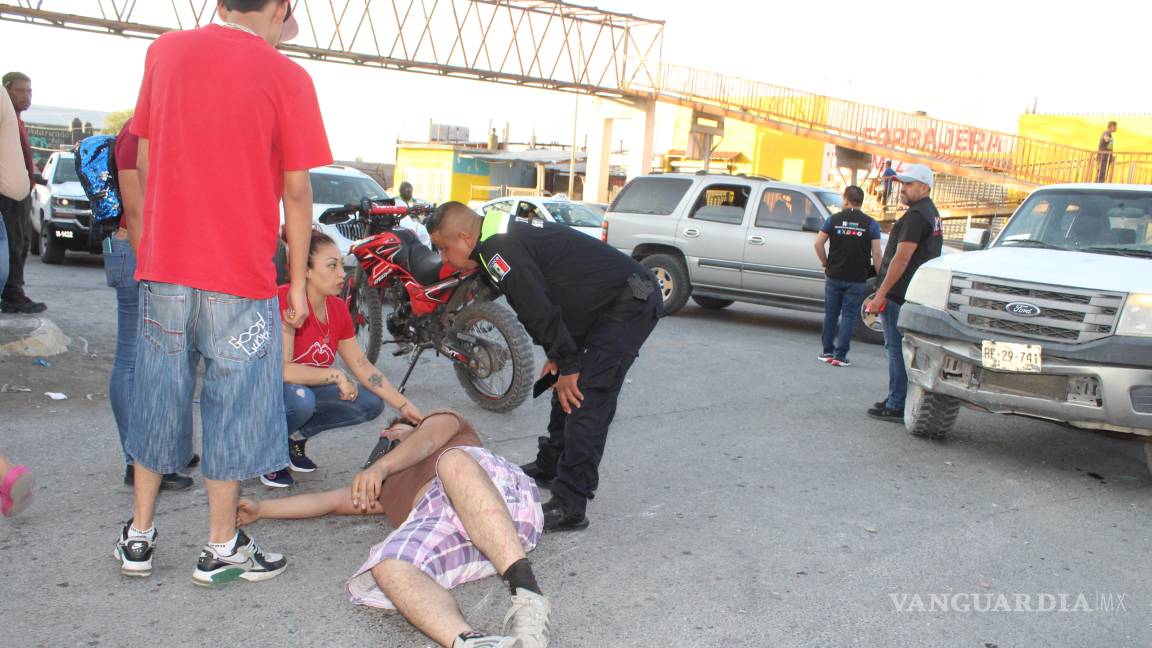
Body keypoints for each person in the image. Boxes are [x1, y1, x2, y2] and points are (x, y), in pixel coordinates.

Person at [114, 0, 332, 587]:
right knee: (232, 407)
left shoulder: (165, 52)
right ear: (280, 6)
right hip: (238, 275)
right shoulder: (288, 76)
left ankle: (138, 538)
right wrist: (298, 284)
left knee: (159, 395)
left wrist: (155, 239)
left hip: (166, 268)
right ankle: (219, 547)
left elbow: (145, 153)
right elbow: (296, 193)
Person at [426, 201, 661, 532]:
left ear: (465, 237)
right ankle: (552, 464)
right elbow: (557, 287)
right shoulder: (496, 230)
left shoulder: (498, 248)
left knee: (585, 394)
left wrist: (567, 361)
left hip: (630, 301)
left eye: (444, 249)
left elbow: (536, 308)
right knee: (562, 381)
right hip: (601, 302)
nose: (444, 258)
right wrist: (561, 354)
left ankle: (571, 504)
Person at [236, 410, 551, 648]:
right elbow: (329, 502)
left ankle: (528, 598)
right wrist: (262, 510)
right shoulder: (387, 489)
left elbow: (425, 439)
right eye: (384, 436)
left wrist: (383, 464)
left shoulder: (443, 424)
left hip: (494, 495)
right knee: (386, 567)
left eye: (394, 430)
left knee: (451, 462)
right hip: (452, 528)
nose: (386, 436)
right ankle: (469, 641)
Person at [262, 230, 425, 488]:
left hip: (305, 391)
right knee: (300, 400)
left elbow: (361, 364)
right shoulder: (283, 299)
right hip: (269, 394)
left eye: (340, 264)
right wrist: (335, 375)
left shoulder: (337, 309)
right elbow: (281, 372)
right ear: (305, 270)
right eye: (331, 265)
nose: (341, 273)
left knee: (370, 402)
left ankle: (293, 438)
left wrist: (404, 406)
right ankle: (267, 454)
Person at [106, 117, 197, 492]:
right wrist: (150, 268)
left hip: (160, 259)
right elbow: (135, 204)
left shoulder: (165, 128)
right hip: (137, 255)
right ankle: (137, 460)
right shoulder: (135, 132)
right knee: (134, 359)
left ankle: (166, 449)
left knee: (167, 357)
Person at [864, 164, 942, 422]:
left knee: (896, 349)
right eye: (901, 184)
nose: (902, 189)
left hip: (900, 295)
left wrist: (880, 294)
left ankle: (897, 404)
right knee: (901, 350)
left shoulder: (917, 216)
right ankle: (896, 399)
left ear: (924, 187)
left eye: (908, 184)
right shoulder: (929, 213)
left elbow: (902, 257)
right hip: (913, 293)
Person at [814, 185, 881, 367]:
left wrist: (825, 262)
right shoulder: (871, 224)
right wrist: (880, 275)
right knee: (849, 316)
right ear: (861, 201)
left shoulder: (833, 220)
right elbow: (876, 253)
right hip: (857, 278)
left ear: (845, 199)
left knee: (831, 314)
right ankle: (840, 356)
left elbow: (818, 244)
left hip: (834, 275)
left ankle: (827, 351)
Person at [1, 71, 46, 314]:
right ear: (6, 89)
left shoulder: (17, 120)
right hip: (7, 195)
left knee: (21, 242)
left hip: (20, 193)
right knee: (13, 243)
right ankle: (11, 294)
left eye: (29, 91)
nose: (26, 96)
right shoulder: (6, 118)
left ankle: (13, 291)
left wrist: (33, 176)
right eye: (20, 90)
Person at [393, 181, 432, 247]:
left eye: (411, 192)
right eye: (408, 191)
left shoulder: (412, 200)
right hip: (404, 226)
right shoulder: (396, 201)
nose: (410, 194)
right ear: (401, 191)